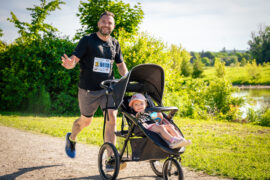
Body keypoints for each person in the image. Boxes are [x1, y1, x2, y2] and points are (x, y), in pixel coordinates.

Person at [61, 10, 128, 166]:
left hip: (108, 89)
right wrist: (71, 63)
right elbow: (74, 59)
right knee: (85, 121)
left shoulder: (115, 43)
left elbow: (121, 65)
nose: (106, 25)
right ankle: (72, 138)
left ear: (113, 25)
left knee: (112, 118)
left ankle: (110, 158)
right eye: (104, 21)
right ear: (99, 23)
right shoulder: (87, 40)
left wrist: (127, 78)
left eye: (109, 22)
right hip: (88, 90)